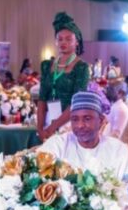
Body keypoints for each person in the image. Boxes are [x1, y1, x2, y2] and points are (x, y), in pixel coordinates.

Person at [38, 92, 128, 191]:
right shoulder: (59, 144)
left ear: (101, 121)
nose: (80, 125)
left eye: (87, 118)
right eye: (75, 119)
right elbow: (37, 167)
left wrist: (120, 193)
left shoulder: (117, 149)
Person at [37, 12, 90, 141]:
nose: (63, 42)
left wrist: (53, 127)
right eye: (59, 39)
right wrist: (40, 128)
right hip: (48, 121)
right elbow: (42, 98)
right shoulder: (47, 65)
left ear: (77, 42)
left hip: (69, 123)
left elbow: (76, 103)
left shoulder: (81, 67)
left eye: (68, 39)